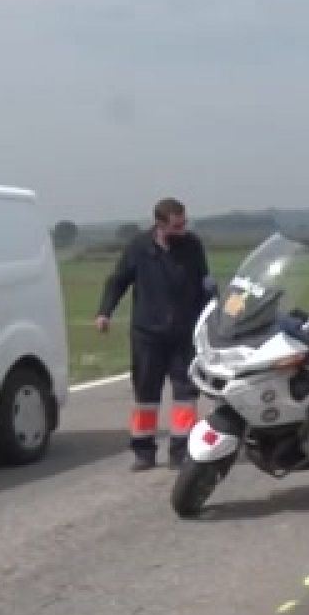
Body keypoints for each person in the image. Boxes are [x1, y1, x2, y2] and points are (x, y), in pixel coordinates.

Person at [95, 197, 216, 471]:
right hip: (147, 334)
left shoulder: (193, 246)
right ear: (160, 225)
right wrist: (104, 312)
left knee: (185, 395)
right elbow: (118, 281)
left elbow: (204, 284)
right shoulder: (139, 247)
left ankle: (180, 450)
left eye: (184, 223)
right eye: (176, 226)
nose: (182, 230)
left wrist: (213, 314)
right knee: (146, 395)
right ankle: (143, 451)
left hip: (184, 334)